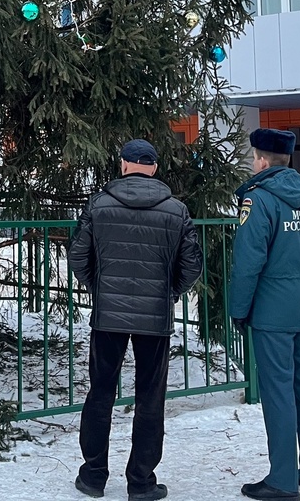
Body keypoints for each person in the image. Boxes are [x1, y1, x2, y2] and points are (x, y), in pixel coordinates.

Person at [68, 138, 203, 501]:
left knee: (100, 393)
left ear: (124, 165)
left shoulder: (99, 204)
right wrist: (168, 292)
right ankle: (141, 482)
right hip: (154, 318)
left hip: (108, 315)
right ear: (155, 168)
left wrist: (102, 287)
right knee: (150, 397)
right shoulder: (176, 210)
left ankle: (93, 476)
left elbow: (78, 257)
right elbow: (192, 264)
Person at [229, 128, 300, 500]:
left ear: (262, 160)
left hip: (271, 310)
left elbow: (248, 262)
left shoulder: (259, 199)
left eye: (254, 157)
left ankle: (283, 480)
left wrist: (240, 310)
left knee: (278, 392)